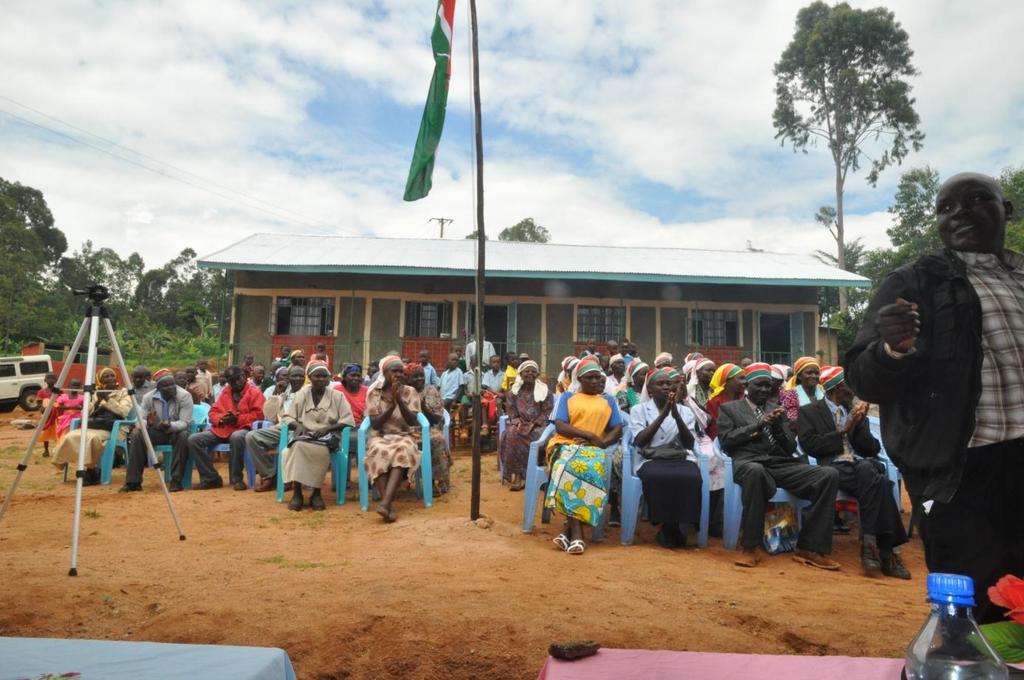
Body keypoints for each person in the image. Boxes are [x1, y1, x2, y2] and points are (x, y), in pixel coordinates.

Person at [845, 171, 1023, 622]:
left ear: (1008, 209)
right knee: (975, 607)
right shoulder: (914, 283)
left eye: (977, 199)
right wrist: (893, 350)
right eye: (946, 208)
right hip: (960, 471)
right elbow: (863, 378)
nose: (959, 212)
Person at [718, 363, 840, 570]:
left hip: (777, 463)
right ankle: (750, 547)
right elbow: (727, 441)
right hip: (749, 462)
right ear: (748, 385)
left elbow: (790, 447)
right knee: (755, 472)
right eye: (760, 385)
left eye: (768, 386)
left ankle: (810, 547)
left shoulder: (777, 410)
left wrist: (777, 429)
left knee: (828, 474)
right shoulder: (730, 409)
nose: (765, 390)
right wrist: (758, 425)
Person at [797, 366, 910, 578]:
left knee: (872, 473)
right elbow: (811, 446)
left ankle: (871, 548)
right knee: (880, 482)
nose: (855, 391)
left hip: (859, 468)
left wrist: (859, 426)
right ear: (838, 388)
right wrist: (843, 429)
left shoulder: (854, 411)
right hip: (832, 467)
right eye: (851, 386)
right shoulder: (810, 412)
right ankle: (888, 553)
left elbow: (872, 449)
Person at [545, 357, 623, 555]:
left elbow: (617, 428)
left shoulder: (609, 401)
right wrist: (587, 434)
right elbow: (560, 425)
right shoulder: (567, 397)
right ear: (580, 379)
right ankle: (578, 534)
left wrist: (601, 442)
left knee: (592, 470)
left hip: (594, 449)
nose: (597, 381)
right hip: (566, 444)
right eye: (591, 378)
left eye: (599, 377)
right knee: (566, 466)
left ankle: (567, 531)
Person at [628, 367, 703, 548]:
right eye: (660, 383)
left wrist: (676, 416)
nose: (666, 386)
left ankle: (678, 524)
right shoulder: (639, 410)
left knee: (692, 476)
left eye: (669, 383)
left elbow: (688, 444)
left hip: (679, 456)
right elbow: (640, 441)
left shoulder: (684, 411)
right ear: (650, 389)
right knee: (658, 476)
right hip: (650, 458)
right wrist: (663, 415)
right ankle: (667, 525)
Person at [281, 362, 354, 511]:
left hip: (327, 437)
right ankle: (297, 493)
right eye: (317, 376)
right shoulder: (302, 394)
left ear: (328, 378)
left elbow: (347, 420)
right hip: (304, 435)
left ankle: (316, 492)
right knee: (296, 447)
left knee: (320, 451)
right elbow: (287, 417)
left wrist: (328, 428)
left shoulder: (337, 396)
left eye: (324, 376)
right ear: (310, 377)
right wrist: (299, 426)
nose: (320, 379)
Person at [180, 365, 264, 491]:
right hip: (223, 429)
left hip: (244, 429)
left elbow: (259, 415)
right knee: (193, 439)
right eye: (231, 380)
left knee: (237, 437)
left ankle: (237, 479)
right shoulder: (226, 392)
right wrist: (221, 419)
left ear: (244, 377)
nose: (236, 382)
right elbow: (213, 412)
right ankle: (211, 478)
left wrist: (238, 419)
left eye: (238, 378)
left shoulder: (255, 392)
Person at [364, 356, 422, 522]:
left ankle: (385, 504)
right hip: (380, 435)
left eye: (401, 371)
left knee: (402, 450)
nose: (398, 374)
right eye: (394, 371)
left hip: (404, 435)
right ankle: (387, 505)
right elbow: (375, 424)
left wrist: (399, 401)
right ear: (385, 372)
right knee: (378, 451)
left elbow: (412, 421)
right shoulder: (375, 392)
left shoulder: (410, 392)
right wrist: (391, 406)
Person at [52, 367, 133, 486]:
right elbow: (85, 413)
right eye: (106, 376)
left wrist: (107, 399)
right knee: (70, 436)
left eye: (112, 376)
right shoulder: (97, 393)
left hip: (113, 428)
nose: (110, 378)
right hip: (95, 425)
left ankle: (88, 471)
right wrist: (97, 401)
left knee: (92, 439)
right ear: (101, 380)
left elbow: (124, 412)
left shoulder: (123, 392)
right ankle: (84, 469)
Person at [120, 372, 194, 492]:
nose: (171, 388)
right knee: (137, 434)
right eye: (166, 386)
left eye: (173, 385)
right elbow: (139, 420)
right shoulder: (148, 397)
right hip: (157, 432)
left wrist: (169, 425)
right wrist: (148, 424)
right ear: (158, 388)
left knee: (184, 435)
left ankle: (176, 481)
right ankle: (133, 482)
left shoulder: (184, 396)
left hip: (176, 432)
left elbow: (185, 422)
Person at [246, 365, 306, 492]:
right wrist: (276, 395)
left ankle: (288, 478)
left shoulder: (309, 392)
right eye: (294, 375)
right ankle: (270, 475)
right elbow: (270, 415)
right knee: (252, 437)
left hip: (301, 429)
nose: (298, 378)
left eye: (301, 376)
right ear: (289, 378)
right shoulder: (285, 393)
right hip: (281, 427)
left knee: (294, 442)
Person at [499, 360, 553, 490]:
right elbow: (511, 412)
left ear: (537, 374)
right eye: (527, 371)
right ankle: (517, 475)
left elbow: (547, 412)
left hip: (539, 426)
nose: (530, 373)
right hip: (520, 424)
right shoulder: (513, 393)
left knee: (538, 437)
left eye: (533, 371)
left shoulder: (545, 392)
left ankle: (530, 474)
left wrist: (534, 424)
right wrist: (518, 423)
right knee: (511, 434)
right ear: (521, 374)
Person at [404, 363, 452, 495]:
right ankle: (402, 479)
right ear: (407, 378)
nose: (420, 379)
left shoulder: (431, 390)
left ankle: (433, 481)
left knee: (437, 440)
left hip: (429, 428)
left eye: (421, 376)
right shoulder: (403, 392)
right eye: (415, 377)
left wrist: (423, 407)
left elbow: (437, 419)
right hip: (407, 430)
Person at [779, 356, 824, 427]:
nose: (814, 376)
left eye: (816, 373)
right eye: (809, 373)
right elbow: (793, 422)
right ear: (799, 376)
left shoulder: (823, 392)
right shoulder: (791, 396)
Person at [705, 363, 745, 440]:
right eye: (741, 378)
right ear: (728, 381)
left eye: (744, 378)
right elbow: (714, 429)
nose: (745, 382)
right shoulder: (714, 402)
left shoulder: (744, 398)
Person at [35, 372, 60, 457]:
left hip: (56, 417)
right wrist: (41, 408)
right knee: (45, 433)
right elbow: (38, 402)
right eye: (49, 378)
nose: (50, 380)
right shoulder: (41, 392)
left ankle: (58, 450)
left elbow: (62, 402)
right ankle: (46, 450)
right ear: (45, 380)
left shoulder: (59, 391)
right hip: (46, 416)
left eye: (52, 378)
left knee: (58, 433)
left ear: (56, 380)